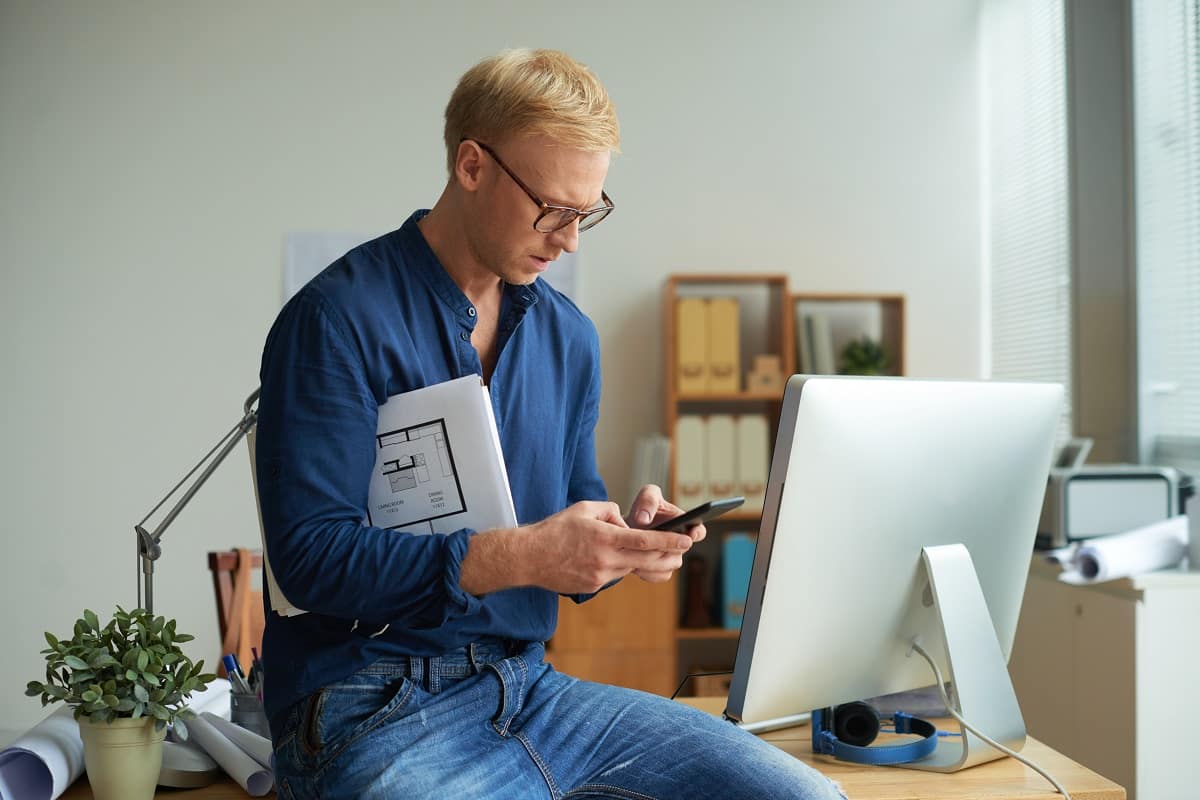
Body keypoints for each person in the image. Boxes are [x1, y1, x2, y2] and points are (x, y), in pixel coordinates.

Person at [256, 48, 844, 800]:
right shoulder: (335, 318)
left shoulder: (569, 338)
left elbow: (570, 507)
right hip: (367, 704)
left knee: (808, 797)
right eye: (553, 209)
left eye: (587, 213)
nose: (568, 239)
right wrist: (523, 557)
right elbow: (309, 559)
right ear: (471, 166)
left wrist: (622, 542)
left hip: (529, 691)